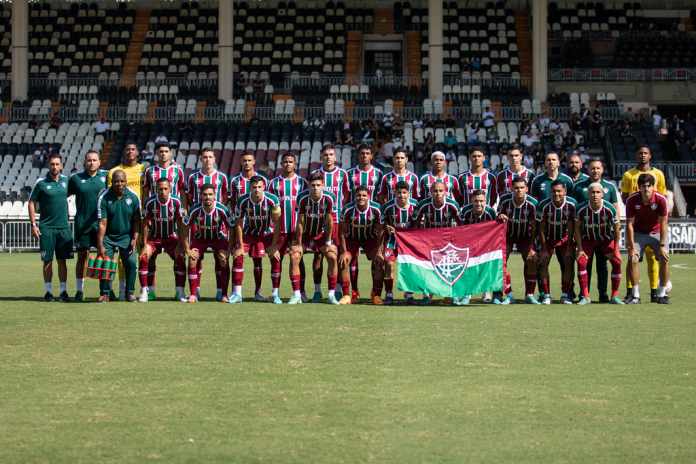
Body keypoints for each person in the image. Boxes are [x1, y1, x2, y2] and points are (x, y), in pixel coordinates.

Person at [620, 145, 670, 303]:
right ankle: (633, 293)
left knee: (661, 258)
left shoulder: (659, 176)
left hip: (655, 229)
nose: (643, 155)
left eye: (645, 153)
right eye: (640, 153)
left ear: (650, 155)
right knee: (632, 257)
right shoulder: (629, 176)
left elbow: (663, 221)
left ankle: (659, 292)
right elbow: (628, 220)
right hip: (638, 230)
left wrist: (662, 244)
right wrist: (630, 244)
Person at [572, 159, 620, 302]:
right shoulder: (579, 187)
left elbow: (616, 215)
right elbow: (574, 208)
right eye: (593, 168)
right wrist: (578, 246)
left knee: (604, 265)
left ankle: (606, 294)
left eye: (598, 168)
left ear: (602, 170)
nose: (595, 171)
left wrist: (616, 248)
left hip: (605, 236)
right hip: (587, 235)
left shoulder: (610, 188)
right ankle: (584, 295)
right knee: (583, 262)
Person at [230, 176, 282, 304]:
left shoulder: (272, 200)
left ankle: (275, 294)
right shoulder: (242, 201)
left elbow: (277, 223)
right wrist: (240, 246)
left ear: (264, 187)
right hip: (249, 233)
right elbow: (239, 224)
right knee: (238, 256)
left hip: (266, 234)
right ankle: (237, 294)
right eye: (254, 187)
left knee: (275, 258)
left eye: (259, 187)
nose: (257, 190)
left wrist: (274, 246)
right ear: (250, 188)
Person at [28, 153, 73, 302]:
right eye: (52, 164)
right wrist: (33, 224)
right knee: (47, 261)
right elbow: (31, 202)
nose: (54, 167)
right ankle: (48, 292)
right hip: (46, 228)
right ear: (49, 165)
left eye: (57, 164)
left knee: (62, 261)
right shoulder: (41, 183)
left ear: (61, 165)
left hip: (63, 228)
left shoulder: (67, 181)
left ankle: (63, 291)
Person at [311, 144, 350, 302]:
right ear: (321, 157)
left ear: (336, 157)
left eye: (331, 154)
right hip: (319, 222)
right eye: (325, 155)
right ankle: (317, 290)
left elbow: (346, 195)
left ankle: (338, 290)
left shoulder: (342, 174)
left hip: (337, 221)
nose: (328, 157)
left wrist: (339, 213)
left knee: (339, 255)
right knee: (318, 256)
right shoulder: (315, 174)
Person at [267, 153, 309, 302]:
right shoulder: (273, 184)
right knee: (276, 259)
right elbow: (269, 207)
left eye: (290, 162)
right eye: (285, 162)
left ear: (295, 164)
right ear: (281, 164)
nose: (287, 164)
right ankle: (275, 293)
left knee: (298, 260)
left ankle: (300, 292)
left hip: (297, 230)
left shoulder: (302, 183)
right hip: (280, 229)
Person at [67, 150, 108, 301]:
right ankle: (79, 291)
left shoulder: (106, 177)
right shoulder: (76, 179)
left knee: (103, 256)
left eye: (94, 160)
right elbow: (62, 196)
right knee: (82, 258)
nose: (92, 163)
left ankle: (104, 292)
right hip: (82, 225)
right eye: (89, 160)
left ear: (99, 162)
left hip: (101, 225)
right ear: (85, 162)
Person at [293, 173, 340, 305]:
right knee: (295, 256)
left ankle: (330, 294)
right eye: (313, 185)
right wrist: (298, 242)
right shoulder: (302, 198)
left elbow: (330, 221)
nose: (315, 188)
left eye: (318, 185)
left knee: (331, 256)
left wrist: (328, 242)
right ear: (308, 186)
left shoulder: (329, 198)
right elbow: (300, 222)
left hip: (321, 233)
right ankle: (298, 294)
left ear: (323, 186)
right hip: (306, 233)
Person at [107, 143, 146, 300]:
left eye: (133, 149)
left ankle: (145, 289)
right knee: (123, 258)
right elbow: (110, 194)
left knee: (142, 255)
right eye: (127, 149)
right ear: (123, 152)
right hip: (121, 218)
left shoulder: (144, 170)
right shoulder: (114, 172)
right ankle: (123, 289)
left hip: (140, 218)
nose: (130, 151)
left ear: (137, 152)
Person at [139, 178, 187, 303]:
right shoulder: (150, 203)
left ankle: (180, 291)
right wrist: (144, 243)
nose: (163, 191)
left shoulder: (176, 202)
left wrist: (181, 244)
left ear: (170, 189)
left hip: (171, 237)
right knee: (144, 257)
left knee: (180, 257)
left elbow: (181, 225)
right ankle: (146, 291)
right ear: (156, 189)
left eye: (165, 189)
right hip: (154, 237)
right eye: (160, 189)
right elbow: (144, 224)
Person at [183, 184, 233, 303]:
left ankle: (224, 294)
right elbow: (184, 228)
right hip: (200, 238)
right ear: (200, 196)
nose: (208, 197)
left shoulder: (222, 209)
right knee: (192, 260)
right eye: (205, 194)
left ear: (215, 195)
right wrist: (187, 250)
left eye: (210, 194)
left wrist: (229, 250)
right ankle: (193, 294)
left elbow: (232, 228)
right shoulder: (195, 209)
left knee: (223, 259)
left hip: (218, 238)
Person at [96, 170, 141, 302]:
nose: (119, 184)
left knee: (131, 263)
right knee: (106, 264)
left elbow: (137, 220)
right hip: (108, 237)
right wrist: (100, 245)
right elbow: (102, 224)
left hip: (126, 236)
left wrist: (134, 238)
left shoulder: (133, 196)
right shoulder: (104, 197)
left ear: (126, 182)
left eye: (122, 181)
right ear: (111, 182)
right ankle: (105, 293)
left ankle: (130, 292)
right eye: (116, 181)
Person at [414, 180, 461, 305]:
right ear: (430, 192)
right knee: (429, 268)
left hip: (447, 242)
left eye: (441, 191)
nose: (438, 193)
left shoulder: (453, 205)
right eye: (435, 191)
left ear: (446, 192)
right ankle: (427, 294)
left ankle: (448, 294)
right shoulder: (423, 205)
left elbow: (462, 225)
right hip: (430, 241)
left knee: (447, 268)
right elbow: (415, 224)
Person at [338, 186, 384, 305]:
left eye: (364, 195)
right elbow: (342, 232)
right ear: (354, 196)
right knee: (344, 260)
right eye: (358, 195)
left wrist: (379, 251)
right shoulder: (347, 209)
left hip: (370, 239)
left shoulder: (376, 209)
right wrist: (343, 251)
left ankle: (376, 294)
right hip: (352, 239)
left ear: (368, 196)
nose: (361, 198)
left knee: (379, 261)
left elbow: (380, 232)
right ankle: (348, 294)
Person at [496, 177, 539, 305]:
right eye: (516, 188)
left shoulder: (533, 204)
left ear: (526, 189)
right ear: (511, 188)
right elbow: (497, 218)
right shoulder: (504, 201)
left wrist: (532, 246)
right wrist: (500, 216)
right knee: (500, 261)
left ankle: (530, 295)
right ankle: (508, 295)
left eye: (521, 188)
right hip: (508, 236)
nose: (519, 190)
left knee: (532, 259)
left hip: (526, 237)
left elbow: (536, 226)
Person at [536, 180, 577, 305]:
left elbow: (572, 226)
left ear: (564, 191)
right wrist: (543, 248)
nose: (556, 194)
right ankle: (546, 295)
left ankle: (565, 294)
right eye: (553, 191)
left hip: (565, 238)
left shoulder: (572, 204)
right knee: (542, 262)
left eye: (559, 191)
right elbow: (541, 227)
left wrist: (570, 246)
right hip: (548, 238)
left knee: (568, 262)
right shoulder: (543, 205)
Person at [381, 181, 419, 305]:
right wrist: (387, 227)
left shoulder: (415, 206)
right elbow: (382, 224)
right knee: (389, 264)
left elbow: (418, 225)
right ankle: (389, 293)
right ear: (394, 193)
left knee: (409, 266)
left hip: (408, 243)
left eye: (404, 193)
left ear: (409, 193)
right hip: (392, 242)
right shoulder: (388, 207)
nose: (401, 195)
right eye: (399, 193)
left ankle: (408, 294)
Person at [458, 189, 498, 305]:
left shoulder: (491, 213)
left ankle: (486, 291)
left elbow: (495, 231)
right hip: (469, 243)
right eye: (476, 201)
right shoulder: (465, 211)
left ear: (485, 201)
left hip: (486, 244)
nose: (479, 204)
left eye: (481, 201)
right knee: (467, 266)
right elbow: (461, 230)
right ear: (471, 201)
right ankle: (467, 293)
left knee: (486, 265)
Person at [143, 140, 186, 207]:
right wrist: (144, 207)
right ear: (157, 153)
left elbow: (182, 192)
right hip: (155, 209)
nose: (163, 154)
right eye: (161, 151)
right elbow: (145, 192)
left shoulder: (178, 170)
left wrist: (184, 208)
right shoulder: (149, 170)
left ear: (170, 153)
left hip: (174, 209)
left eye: (166, 151)